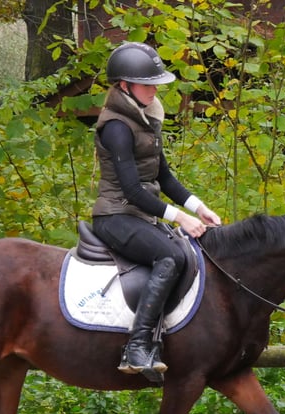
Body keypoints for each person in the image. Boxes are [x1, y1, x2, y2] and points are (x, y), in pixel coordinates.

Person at [91, 42, 222, 381]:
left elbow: (163, 178)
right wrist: (179, 217)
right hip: (115, 216)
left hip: (140, 214)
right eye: (147, 84)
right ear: (125, 86)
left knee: (188, 251)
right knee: (170, 257)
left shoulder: (146, 118)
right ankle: (137, 346)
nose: (154, 89)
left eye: (155, 84)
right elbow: (133, 190)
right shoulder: (117, 126)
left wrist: (199, 207)